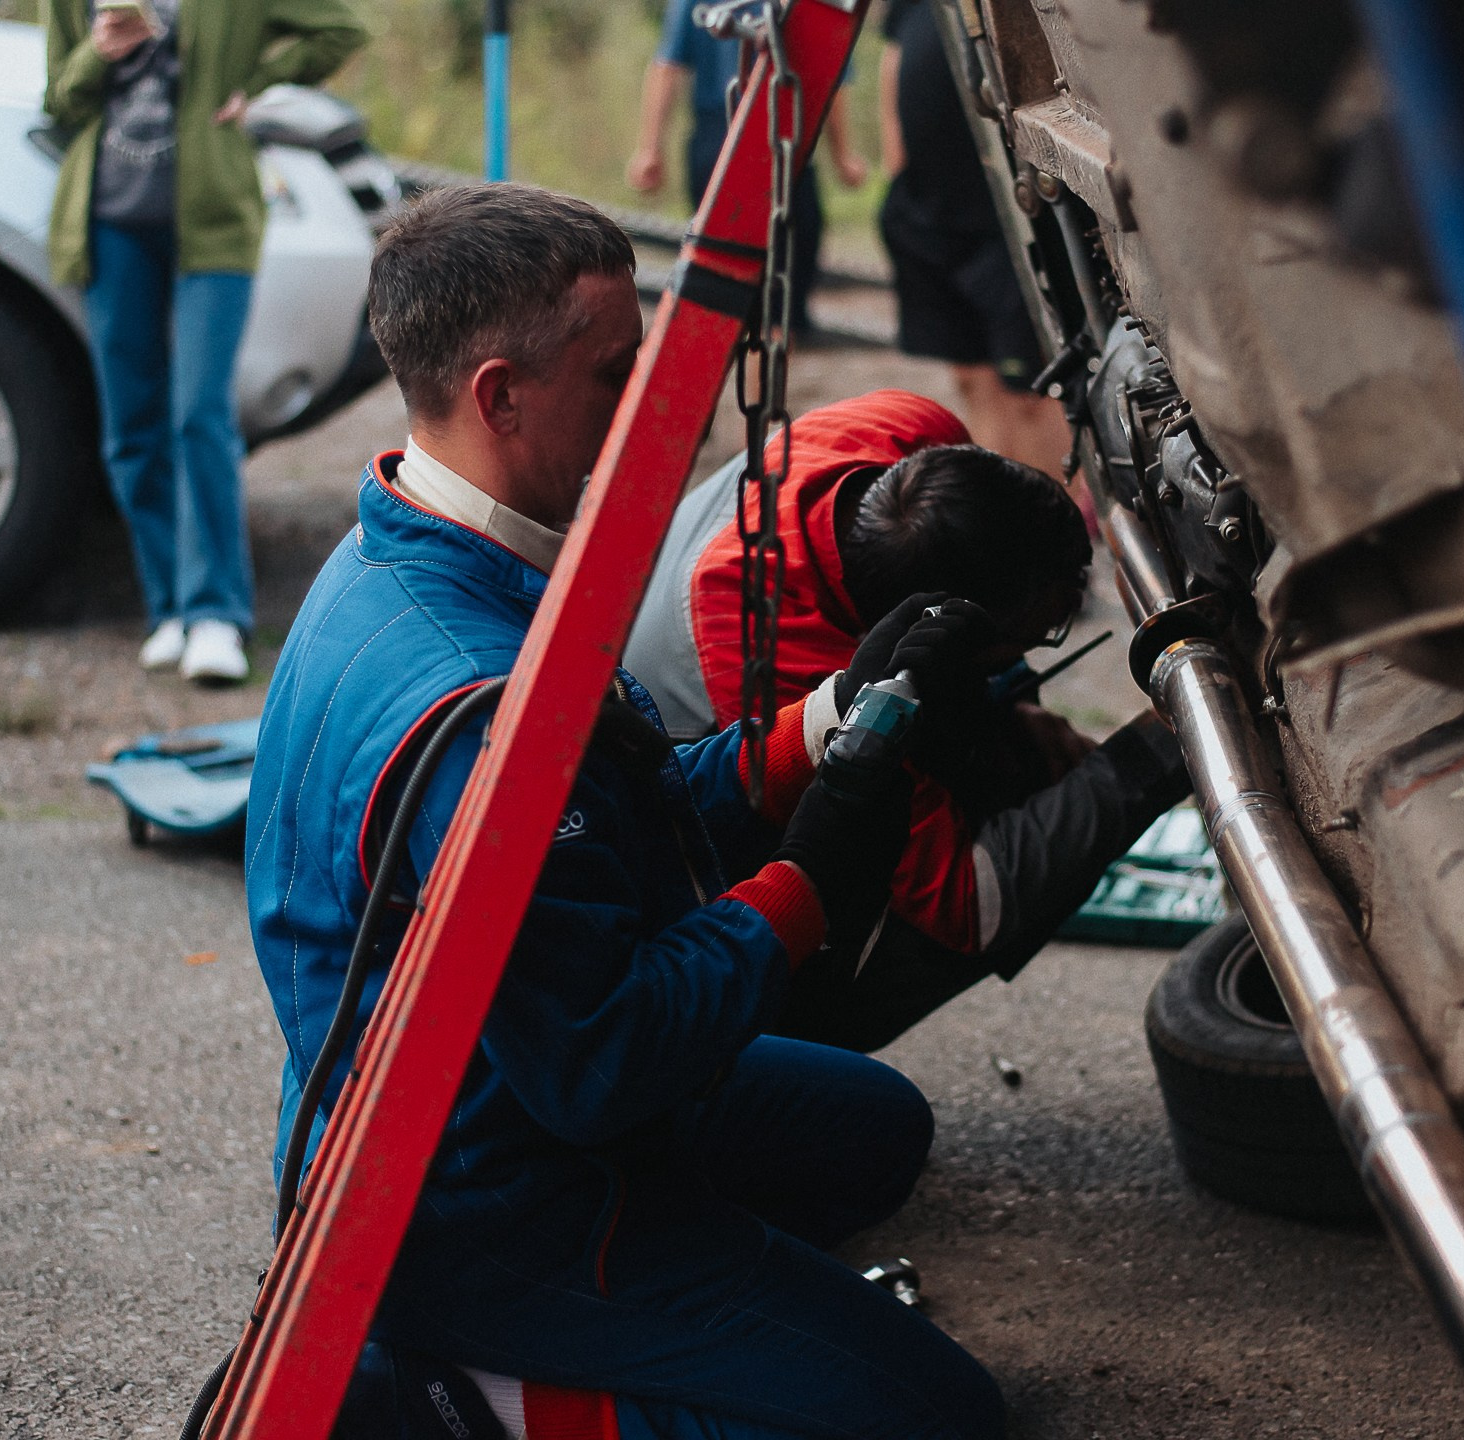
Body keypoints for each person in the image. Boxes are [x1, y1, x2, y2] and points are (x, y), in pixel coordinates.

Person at [247, 184, 1005, 1439]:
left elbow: (613, 809)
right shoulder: (477, 706)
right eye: (617, 376)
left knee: (872, 1130)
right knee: (940, 1418)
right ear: (499, 395)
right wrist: (807, 888)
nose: (664, 410)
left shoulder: (419, 550)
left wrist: (822, 726)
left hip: (455, 1102)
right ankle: (458, 1401)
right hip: (487, 1198)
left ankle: (679, 1323)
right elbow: (599, 1065)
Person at [623, 389, 1193, 1051]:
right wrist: (1163, 741)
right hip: (671, 874)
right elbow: (969, 905)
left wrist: (1013, 709)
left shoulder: (907, 429)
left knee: (1017, 756)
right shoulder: (773, 660)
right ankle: (786, 1044)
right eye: (1041, 631)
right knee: (996, 837)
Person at [42, 0, 366, 684]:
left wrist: (255, 85)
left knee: (199, 412)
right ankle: (169, 608)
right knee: (131, 425)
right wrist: (98, 52)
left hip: (214, 221)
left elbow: (340, 29)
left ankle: (216, 612)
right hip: (109, 224)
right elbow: (59, 103)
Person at [876, 0, 1073, 481]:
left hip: (1007, 219)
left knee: (1032, 391)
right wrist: (897, 165)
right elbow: (895, 57)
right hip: (930, 211)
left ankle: (1053, 512)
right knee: (972, 378)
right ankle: (1000, 503)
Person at [627, 0, 866, 332]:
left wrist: (651, 149)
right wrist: (842, 157)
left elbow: (668, 66)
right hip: (757, 136)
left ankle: (755, 344)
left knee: (735, 275)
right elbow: (831, 78)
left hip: (737, 138)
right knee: (765, 280)